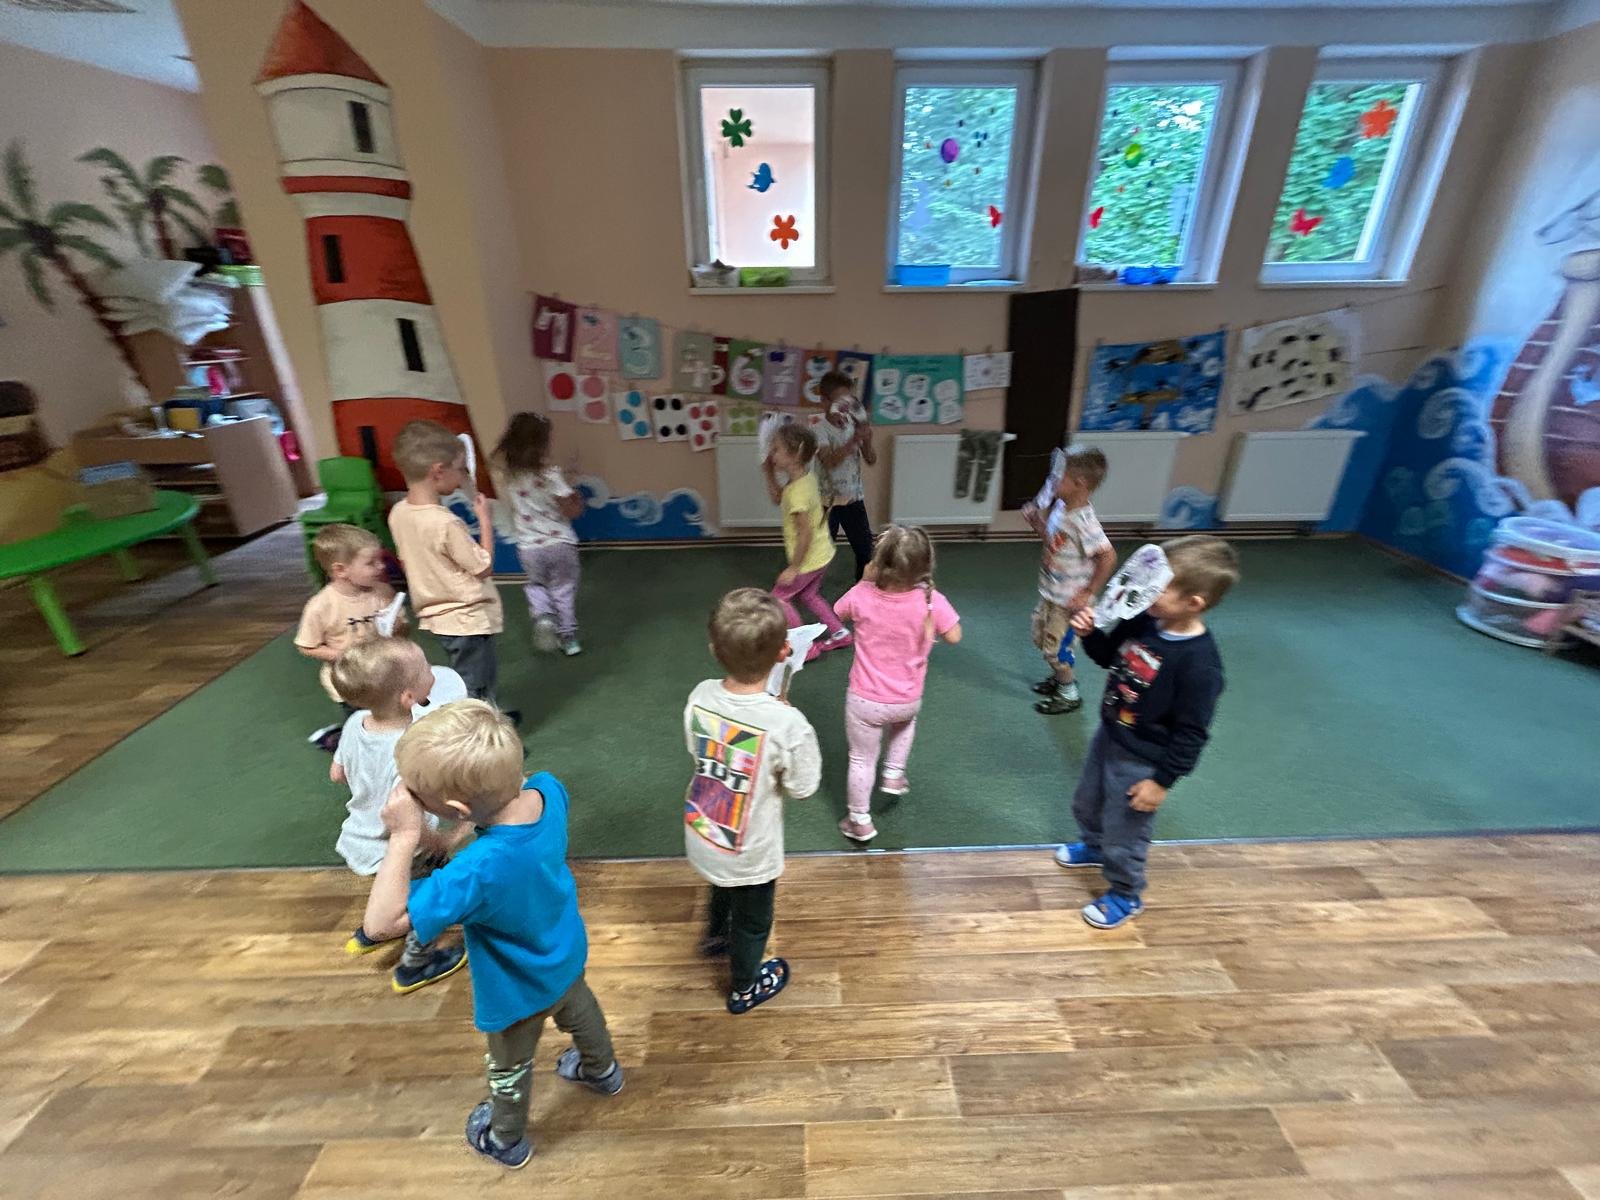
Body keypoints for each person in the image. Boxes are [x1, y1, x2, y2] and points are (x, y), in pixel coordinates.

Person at [360, 699, 623, 1169]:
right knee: (582, 1013)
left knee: (509, 1066)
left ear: (455, 809)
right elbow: (503, 801)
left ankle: (506, 1138)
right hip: (564, 953)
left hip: (516, 992)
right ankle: (602, 1071)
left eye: (418, 795)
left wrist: (404, 837)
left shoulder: (475, 873)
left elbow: (380, 924)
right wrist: (459, 825)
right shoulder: (548, 791)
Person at [1056, 535, 1237, 929]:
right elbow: (1109, 657)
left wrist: (1161, 782)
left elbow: (1192, 733)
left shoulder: (1200, 666)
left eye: (1159, 586)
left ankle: (1126, 893)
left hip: (1144, 758)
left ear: (1193, 603)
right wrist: (1090, 635)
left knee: (1126, 830)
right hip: (1111, 732)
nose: (1146, 589)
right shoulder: (1143, 619)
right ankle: (1094, 846)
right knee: (1087, 800)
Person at [683, 588, 821, 1014]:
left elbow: (696, 748)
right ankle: (744, 985)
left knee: (721, 884)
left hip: (705, 827)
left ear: (714, 649)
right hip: (753, 848)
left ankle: (715, 935)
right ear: (783, 653)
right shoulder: (787, 724)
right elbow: (803, 786)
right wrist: (783, 720)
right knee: (754, 919)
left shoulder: (700, 695)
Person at [330, 637, 470, 991]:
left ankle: (372, 930)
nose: (433, 671)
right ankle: (416, 964)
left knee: (392, 887)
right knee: (432, 897)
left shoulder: (356, 722)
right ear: (408, 697)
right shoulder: (409, 747)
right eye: (425, 669)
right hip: (405, 845)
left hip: (360, 836)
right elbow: (409, 818)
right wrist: (442, 840)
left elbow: (337, 773)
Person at [831, 525, 962, 842]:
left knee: (861, 759)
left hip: (865, 700)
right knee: (904, 725)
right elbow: (955, 636)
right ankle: (893, 772)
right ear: (925, 567)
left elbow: (837, 612)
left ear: (878, 564)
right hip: (907, 699)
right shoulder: (931, 601)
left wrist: (863, 582)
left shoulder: (862, 594)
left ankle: (859, 820)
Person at [387, 420, 508, 711]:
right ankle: (478, 729)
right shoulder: (445, 523)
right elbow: (483, 566)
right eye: (461, 469)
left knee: (470, 676)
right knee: (476, 683)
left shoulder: (398, 513)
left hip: (438, 616)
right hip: (466, 616)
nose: (463, 476)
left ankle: (484, 718)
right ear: (438, 471)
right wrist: (485, 520)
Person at [1024, 446, 1116, 715]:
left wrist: (1088, 591)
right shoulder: (1062, 508)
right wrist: (1037, 524)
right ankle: (1059, 677)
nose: (1052, 482)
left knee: (1056, 651)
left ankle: (1068, 692)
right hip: (1051, 592)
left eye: (1058, 477)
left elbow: (1108, 556)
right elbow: (1055, 541)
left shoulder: (1084, 521)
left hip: (1069, 602)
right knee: (1041, 638)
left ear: (1080, 483)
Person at [295, 523, 398, 752]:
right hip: (349, 682)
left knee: (390, 718)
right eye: (371, 563)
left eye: (380, 560)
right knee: (363, 727)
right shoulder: (321, 606)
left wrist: (398, 626)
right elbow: (306, 646)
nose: (381, 566)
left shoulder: (382, 592)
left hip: (383, 673)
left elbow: (399, 631)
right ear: (341, 570)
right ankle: (337, 740)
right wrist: (344, 654)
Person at [494, 413, 585, 657]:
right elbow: (571, 510)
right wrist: (576, 497)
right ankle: (569, 639)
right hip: (560, 544)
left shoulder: (510, 477)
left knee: (536, 585)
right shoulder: (551, 474)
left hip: (529, 547)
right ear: (542, 445)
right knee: (563, 589)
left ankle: (544, 616)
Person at [762, 423, 851, 660]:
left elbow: (805, 534)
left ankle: (807, 648)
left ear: (795, 455)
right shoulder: (803, 479)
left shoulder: (798, 493)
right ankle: (840, 633)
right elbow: (778, 497)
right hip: (822, 554)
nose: (772, 453)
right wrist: (769, 473)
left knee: (778, 599)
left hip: (808, 561)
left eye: (776, 449)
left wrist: (793, 568)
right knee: (809, 596)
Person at [814, 370, 877, 581]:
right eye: (839, 402)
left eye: (849, 401)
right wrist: (854, 440)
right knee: (821, 552)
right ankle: (810, 588)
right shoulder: (819, 430)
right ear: (824, 402)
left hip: (853, 499)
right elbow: (829, 462)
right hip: (826, 501)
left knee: (865, 550)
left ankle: (863, 589)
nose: (845, 407)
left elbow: (871, 459)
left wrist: (867, 438)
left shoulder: (853, 426)